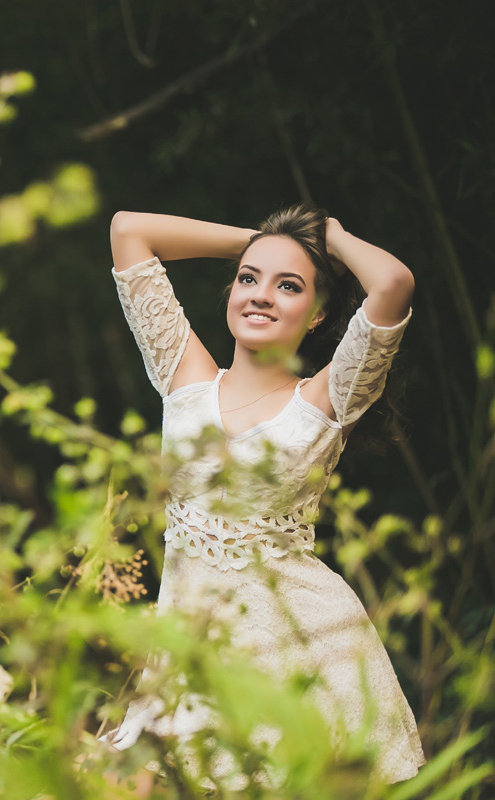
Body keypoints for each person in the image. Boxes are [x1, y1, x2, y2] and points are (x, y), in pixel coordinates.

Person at [105, 205, 426, 789]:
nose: (261, 295)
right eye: (249, 279)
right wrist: (262, 242)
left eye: (289, 286)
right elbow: (129, 229)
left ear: (318, 314)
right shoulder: (184, 378)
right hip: (192, 647)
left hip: (303, 646)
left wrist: (332, 237)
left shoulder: (328, 399)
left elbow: (392, 283)